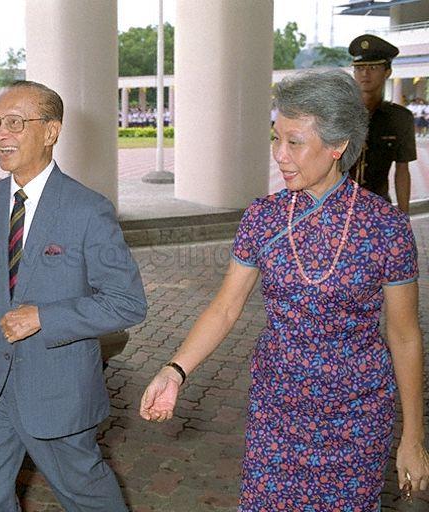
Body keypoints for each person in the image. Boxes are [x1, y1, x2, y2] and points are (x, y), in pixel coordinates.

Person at [140, 70, 429, 510]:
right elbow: (224, 308)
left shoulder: (385, 228)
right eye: (276, 139)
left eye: (294, 142)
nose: (279, 155)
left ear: (338, 147)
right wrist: (174, 370)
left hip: (356, 419)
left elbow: (405, 336)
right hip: (276, 411)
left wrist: (412, 436)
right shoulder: (263, 218)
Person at [0, 80, 148, 511]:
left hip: (56, 392)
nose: (1, 134)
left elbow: (127, 301)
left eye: (16, 123)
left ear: (51, 132)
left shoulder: (86, 209)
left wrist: (46, 317)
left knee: (88, 497)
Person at [348, 34, 416, 213]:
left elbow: (402, 170)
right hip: (338, 210)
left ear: (387, 72)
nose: (365, 73)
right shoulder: (338, 113)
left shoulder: (400, 118)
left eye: (373, 67)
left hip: (378, 209)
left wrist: (404, 216)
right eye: (359, 68)